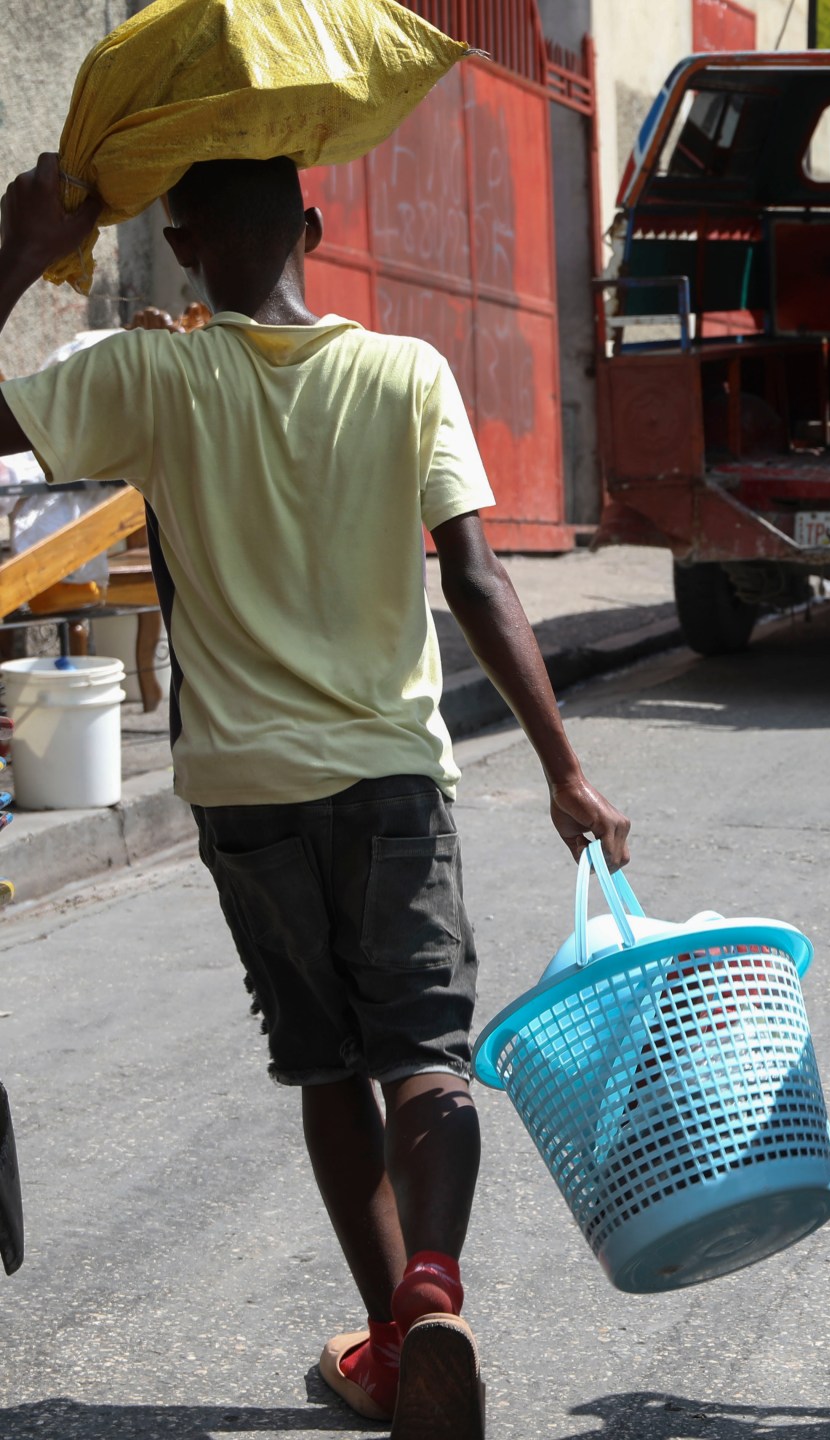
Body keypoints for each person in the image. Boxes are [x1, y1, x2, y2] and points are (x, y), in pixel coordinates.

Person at [0, 153, 631, 1431]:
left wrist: (18, 246)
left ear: (182, 249)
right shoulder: (407, 374)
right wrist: (564, 766)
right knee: (425, 1054)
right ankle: (434, 1294)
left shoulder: (154, 373)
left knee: (327, 1070)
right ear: (315, 228)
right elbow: (476, 580)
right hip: (391, 774)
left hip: (246, 792)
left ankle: (398, 1347)